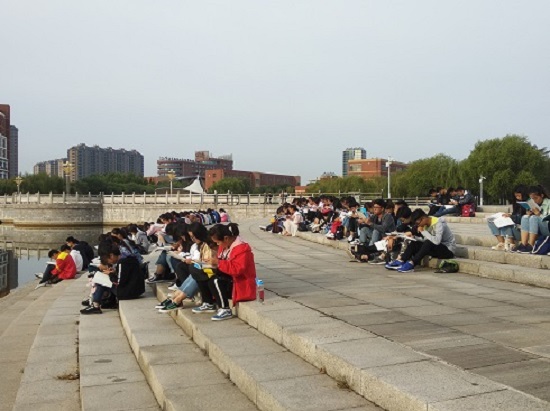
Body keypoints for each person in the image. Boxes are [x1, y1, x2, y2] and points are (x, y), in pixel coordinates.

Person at [192, 223, 256, 321]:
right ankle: (208, 302)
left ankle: (225, 309)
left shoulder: (242, 249)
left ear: (226, 238)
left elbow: (237, 269)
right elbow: (222, 261)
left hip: (240, 283)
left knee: (216, 281)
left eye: (218, 242)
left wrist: (218, 263)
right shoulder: (224, 246)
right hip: (228, 277)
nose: (217, 245)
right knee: (200, 273)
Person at [80, 242, 145, 314]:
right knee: (103, 280)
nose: (109, 263)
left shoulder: (122, 262)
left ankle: (95, 305)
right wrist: (114, 272)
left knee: (101, 281)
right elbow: (125, 275)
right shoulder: (129, 257)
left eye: (107, 260)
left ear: (111, 255)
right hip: (136, 290)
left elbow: (119, 283)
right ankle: (101, 301)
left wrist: (110, 274)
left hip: (128, 293)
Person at [388, 208, 456, 273]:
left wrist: (423, 231)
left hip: (448, 250)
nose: (418, 225)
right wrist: (415, 237)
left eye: (418, 223)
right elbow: (427, 239)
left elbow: (436, 241)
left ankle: (412, 263)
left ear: (423, 218)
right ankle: (402, 260)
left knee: (428, 243)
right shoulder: (426, 225)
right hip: (436, 248)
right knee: (415, 243)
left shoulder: (439, 224)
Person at [487, 185, 527, 250]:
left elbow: (523, 219)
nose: (517, 198)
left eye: (519, 196)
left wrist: (512, 217)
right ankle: (501, 243)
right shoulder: (516, 203)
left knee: (505, 222)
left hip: (521, 231)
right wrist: (510, 215)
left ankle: (511, 243)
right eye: (516, 196)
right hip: (515, 226)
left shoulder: (527, 204)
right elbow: (515, 214)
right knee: (491, 220)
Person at [513, 185, 550, 253]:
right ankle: (524, 244)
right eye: (532, 199)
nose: (534, 201)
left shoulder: (548, 203)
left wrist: (539, 214)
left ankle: (531, 245)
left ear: (542, 195)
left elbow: (548, 220)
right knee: (525, 217)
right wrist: (529, 213)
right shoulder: (533, 204)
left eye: (536, 198)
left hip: (547, 228)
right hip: (537, 228)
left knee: (534, 218)